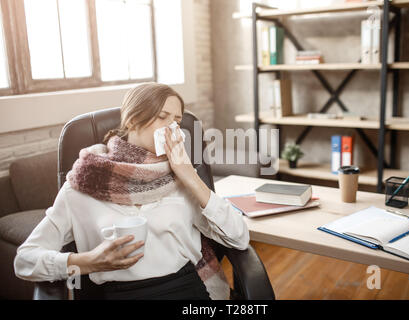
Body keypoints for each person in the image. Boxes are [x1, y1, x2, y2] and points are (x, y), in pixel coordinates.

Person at [14, 82, 250, 300]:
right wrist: (88, 262)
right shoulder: (85, 182)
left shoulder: (183, 180)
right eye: (162, 117)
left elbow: (238, 237)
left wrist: (189, 175)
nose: (172, 129)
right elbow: (25, 260)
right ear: (132, 120)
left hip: (186, 289)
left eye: (176, 122)